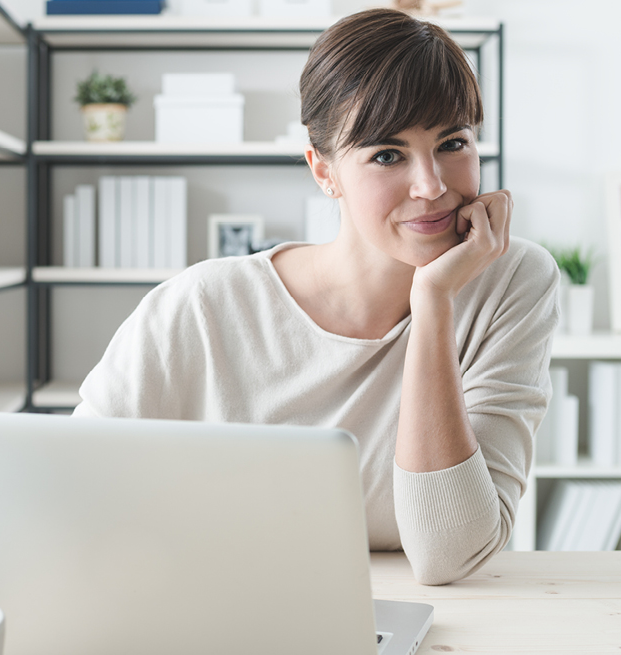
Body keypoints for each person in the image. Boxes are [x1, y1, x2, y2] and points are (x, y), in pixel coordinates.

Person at [73, 8, 559, 585]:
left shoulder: (512, 280)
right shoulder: (202, 305)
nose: (432, 185)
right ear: (323, 171)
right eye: (387, 154)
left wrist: (433, 304)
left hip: (420, 623)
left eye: (452, 142)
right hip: (214, 605)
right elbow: (68, 496)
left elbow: (448, 555)